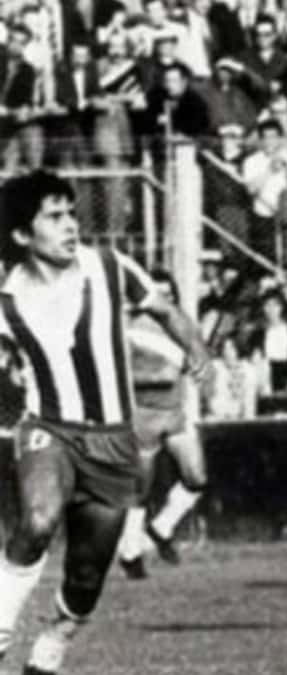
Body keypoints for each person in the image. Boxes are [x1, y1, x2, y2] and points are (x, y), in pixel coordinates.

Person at [0, 171, 211, 675]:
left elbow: (165, 311)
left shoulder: (111, 266)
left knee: (86, 574)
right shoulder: (5, 296)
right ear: (22, 236)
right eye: (54, 217)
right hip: (49, 427)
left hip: (116, 441)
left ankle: (55, 639)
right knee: (39, 519)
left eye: (71, 213)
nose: (70, 225)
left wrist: (196, 347)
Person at [115, 270, 210, 579]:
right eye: (158, 295)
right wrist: (158, 377)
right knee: (141, 489)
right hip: (143, 416)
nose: (163, 301)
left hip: (176, 413)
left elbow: (194, 365)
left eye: (169, 295)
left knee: (196, 477)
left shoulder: (180, 329)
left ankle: (161, 527)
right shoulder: (130, 331)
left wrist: (198, 368)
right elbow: (123, 377)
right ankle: (130, 552)